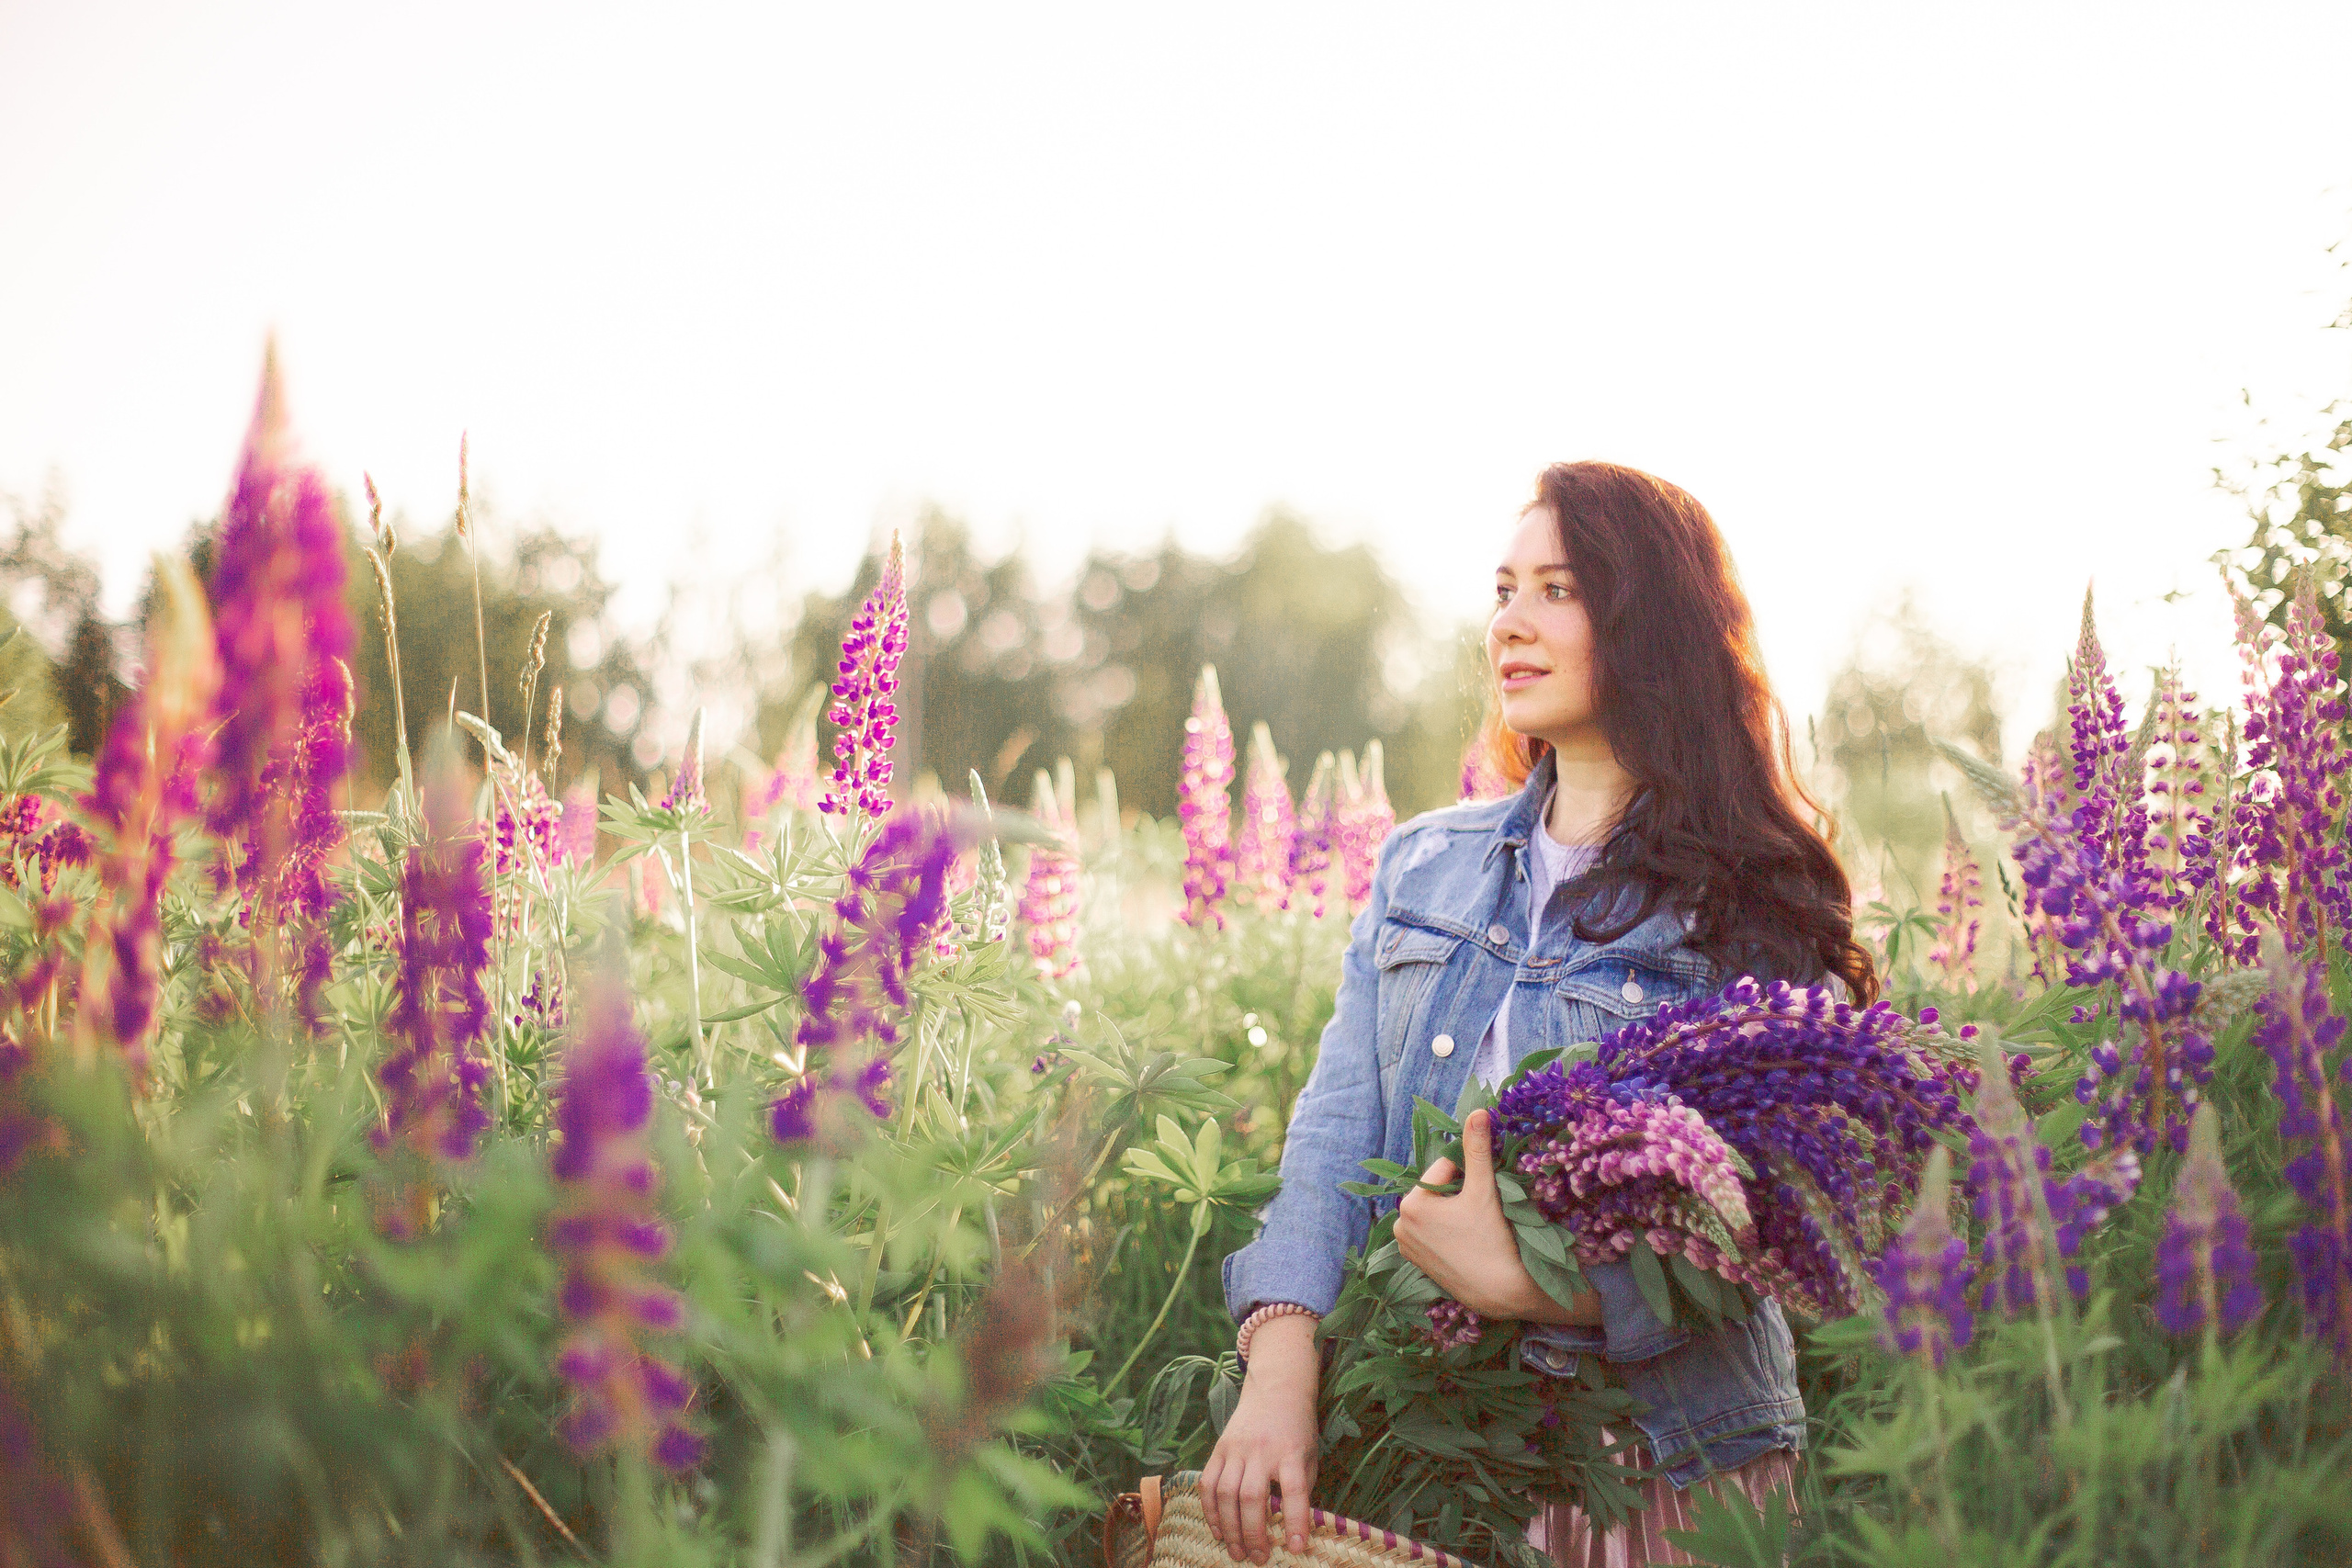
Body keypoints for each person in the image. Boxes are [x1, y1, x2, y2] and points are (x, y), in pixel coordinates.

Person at [1200, 461, 1876, 1568]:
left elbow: (1781, 1223)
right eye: (1502, 588)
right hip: (1433, 1440)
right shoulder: (1423, 864)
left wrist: (1539, 1287)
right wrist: (1278, 1372)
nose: (1509, 622)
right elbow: (1332, 1142)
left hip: (1670, 1468)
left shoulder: (1747, 897)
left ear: (1648, 623)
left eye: (1556, 590)